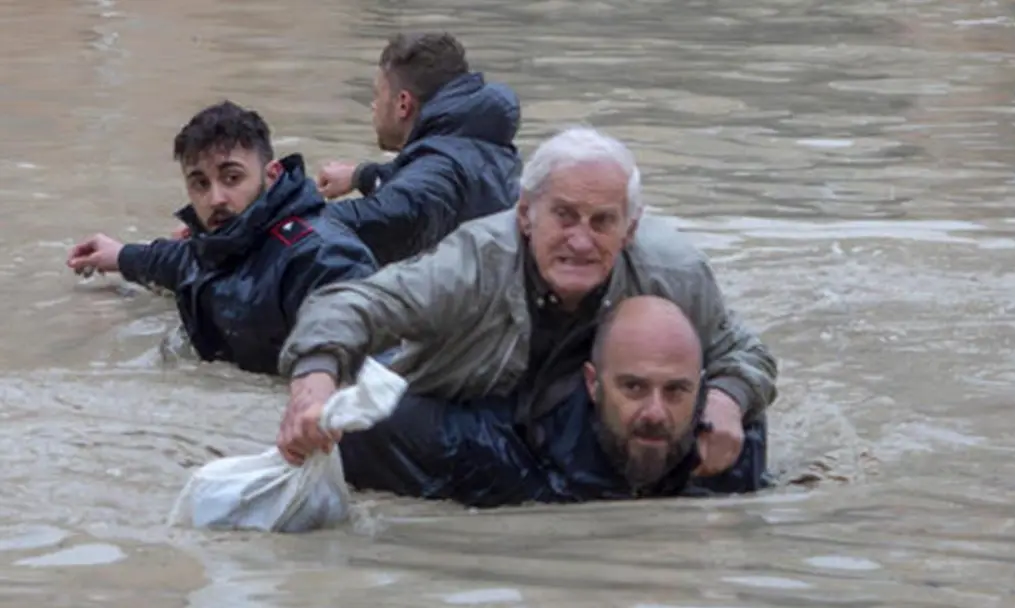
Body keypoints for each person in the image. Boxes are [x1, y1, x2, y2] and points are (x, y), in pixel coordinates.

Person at [275, 125, 777, 485]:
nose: (581, 242)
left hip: (576, 419)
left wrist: (727, 399)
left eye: (602, 222)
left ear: (631, 228)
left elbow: (745, 353)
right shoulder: (470, 264)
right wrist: (313, 385)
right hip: (469, 411)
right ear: (525, 215)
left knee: (741, 439)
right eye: (564, 216)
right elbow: (349, 304)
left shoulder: (674, 273)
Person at [337, 296, 769, 507]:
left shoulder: (729, 449)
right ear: (593, 384)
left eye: (676, 391)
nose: (656, 412)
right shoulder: (497, 448)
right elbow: (364, 422)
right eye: (634, 388)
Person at [65, 100, 379, 376]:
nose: (216, 198)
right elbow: (178, 260)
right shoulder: (218, 244)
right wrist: (120, 256)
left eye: (232, 178)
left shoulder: (320, 256)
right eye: (200, 183)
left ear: (271, 176)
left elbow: (376, 362)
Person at [318, 32, 522, 266]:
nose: (373, 106)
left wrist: (285, 217)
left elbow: (392, 212)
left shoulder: (439, 170)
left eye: (378, 95)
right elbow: (423, 182)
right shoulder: (478, 142)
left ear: (403, 104)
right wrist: (360, 176)